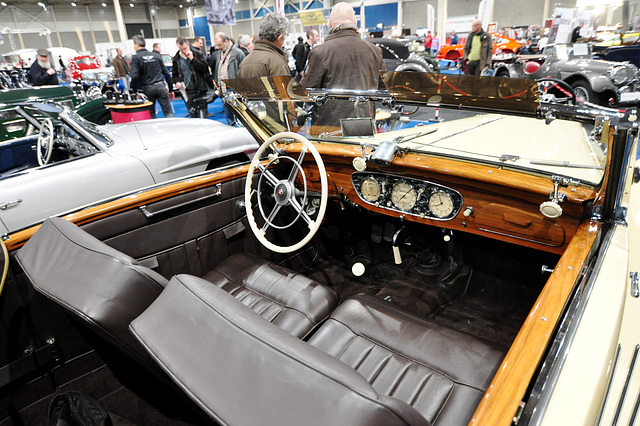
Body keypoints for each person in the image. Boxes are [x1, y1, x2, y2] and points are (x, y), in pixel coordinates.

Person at [302, 2, 385, 125]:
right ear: (355, 24)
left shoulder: (320, 53)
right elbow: (383, 90)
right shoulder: (375, 51)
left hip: (330, 129)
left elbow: (305, 92)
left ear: (330, 25)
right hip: (365, 124)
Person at [130, 35, 174, 118]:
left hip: (147, 88)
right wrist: (171, 89)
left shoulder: (136, 58)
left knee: (151, 113)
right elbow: (166, 73)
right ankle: (173, 129)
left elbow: (134, 76)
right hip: (161, 86)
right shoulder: (156, 56)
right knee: (168, 112)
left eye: (133, 44)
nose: (133, 47)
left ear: (137, 44)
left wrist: (134, 90)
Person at [238, 13, 290, 79]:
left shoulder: (245, 61)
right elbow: (283, 88)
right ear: (279, 38)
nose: (285, 38)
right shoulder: (276, 63)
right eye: (285, 35)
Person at [209, 32, 245, 124]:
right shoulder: (218, 54)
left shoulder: (238, 53)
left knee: (240, 117)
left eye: (220, 45)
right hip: (223, 91)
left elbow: (243, 72)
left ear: (227, 41)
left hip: (234, 91)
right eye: (217, 45)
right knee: (228, 116)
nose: (218, 47)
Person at [172, 37, 210, 118]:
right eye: (181, 49)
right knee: (193, 116)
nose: (183, 51)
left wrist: (193, 59)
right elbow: (174, 75)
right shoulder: (176, 59)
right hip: (187, 92)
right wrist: (177, 82)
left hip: (199, 89)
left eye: (185, 48)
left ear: (188, 44)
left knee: (203, 116)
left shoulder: (198, 54)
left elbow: (205, 69)